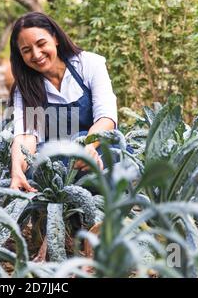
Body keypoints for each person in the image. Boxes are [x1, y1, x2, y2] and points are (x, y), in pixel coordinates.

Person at [8, 12, 118, 192]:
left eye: (41, 44)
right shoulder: (25, 87)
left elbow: (106, 118)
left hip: (97, 149)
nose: (36, 54)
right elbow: (26, 136)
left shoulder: (89, 64)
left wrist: (88, 146)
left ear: (56, 38)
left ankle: (106, 215)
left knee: (97, 153)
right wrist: (16, 171)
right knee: (35, 166)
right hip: (60, 160)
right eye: (26, 50)